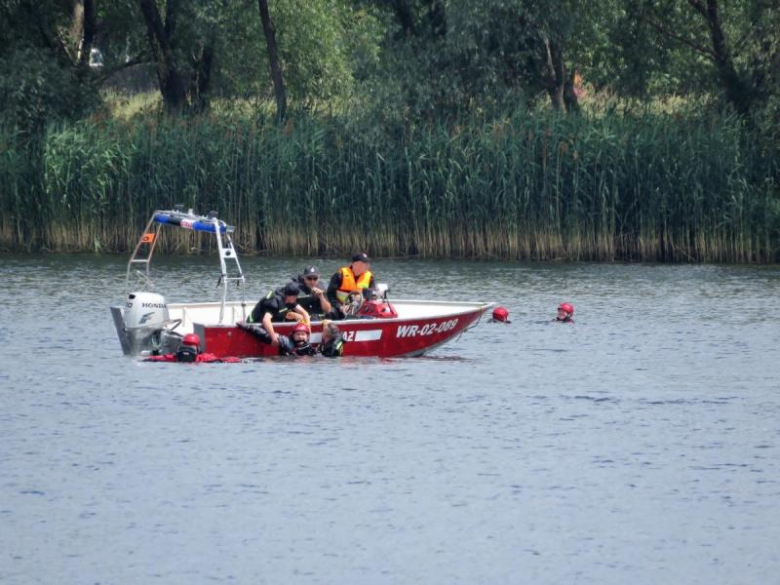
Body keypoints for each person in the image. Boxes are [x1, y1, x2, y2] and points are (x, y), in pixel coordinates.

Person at [244, 283, 310, 348]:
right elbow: (266, 320)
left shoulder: (289, 300)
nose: (296, 298)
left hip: (273, 324)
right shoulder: (274, 302)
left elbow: (305, 313)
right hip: (255, 325)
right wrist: (274, 338)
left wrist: (308, 332)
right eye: (296, 296)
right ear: (291, 296)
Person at [326, 252, 376, 319]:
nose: (368, 265)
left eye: (368, 263)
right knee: (331, 313)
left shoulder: (370, 278)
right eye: (364, 263)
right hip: (340, 309)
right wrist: (339, 307)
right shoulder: (340, 275)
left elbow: (372, 295)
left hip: (361, 310)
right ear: (355, 264)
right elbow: (330, 295)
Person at [144, 333, 241, 363]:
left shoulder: (173, 358)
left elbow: (157, 358)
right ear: (198, 348)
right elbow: (222, 360)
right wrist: (239, 360)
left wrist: (146, 359)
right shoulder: (203, 358)